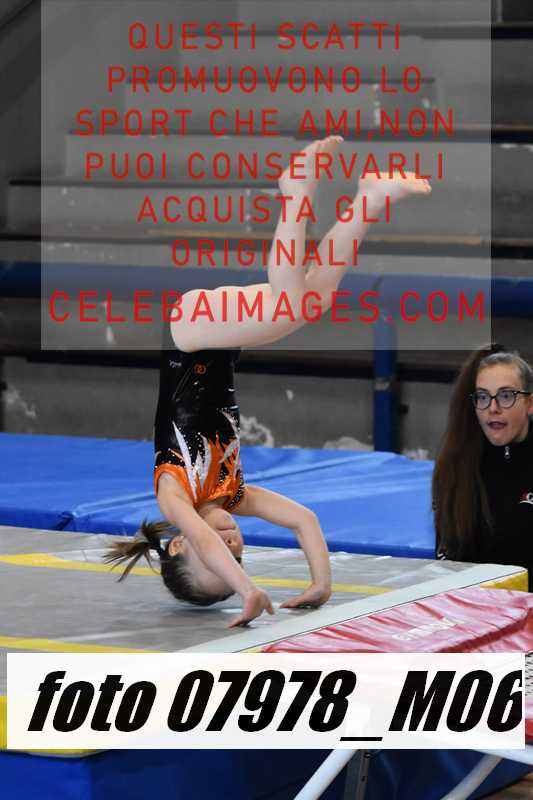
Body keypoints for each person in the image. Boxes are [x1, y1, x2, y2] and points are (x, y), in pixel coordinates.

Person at [105, 136, 432, 626]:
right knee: (310, 301)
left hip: (187, 338)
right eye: (239, 558)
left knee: (288, 306)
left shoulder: (174, 494)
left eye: (223, 557)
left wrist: (248, 590)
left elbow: (204, 538)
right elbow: (305, 520)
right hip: (217, 343)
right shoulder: (236, 493)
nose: (232, 546)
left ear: (178, 544)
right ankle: (369, 199)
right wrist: (321, 583)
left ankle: (297, 189)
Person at [433, 345, 533, 589]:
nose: (493, 408)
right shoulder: (458, 465)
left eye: (506, 396)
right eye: (483, 397)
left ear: (530, 403)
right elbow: (448, 558)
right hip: (479, 603)